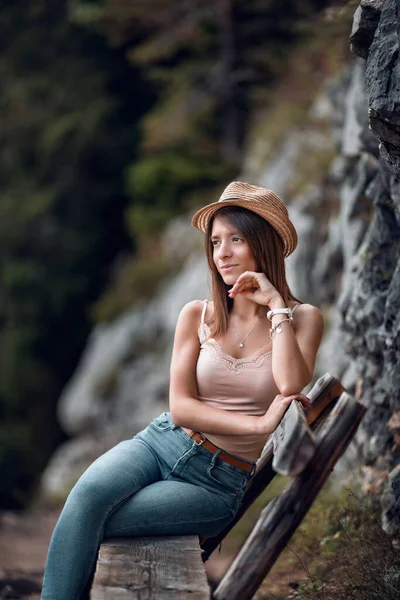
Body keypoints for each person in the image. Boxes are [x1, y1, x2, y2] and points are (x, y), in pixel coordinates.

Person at [41, 181, 324, 600]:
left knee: (93, 517)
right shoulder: (197, 314)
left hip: (215, 482)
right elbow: (181, 408)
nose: (222, 253)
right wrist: (258, 422)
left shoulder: (303, 318)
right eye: (215, 242)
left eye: (236, 239)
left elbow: (289, 383)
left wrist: (275, 305)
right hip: (159, 444)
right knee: (86, 498)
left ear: (265, 245)